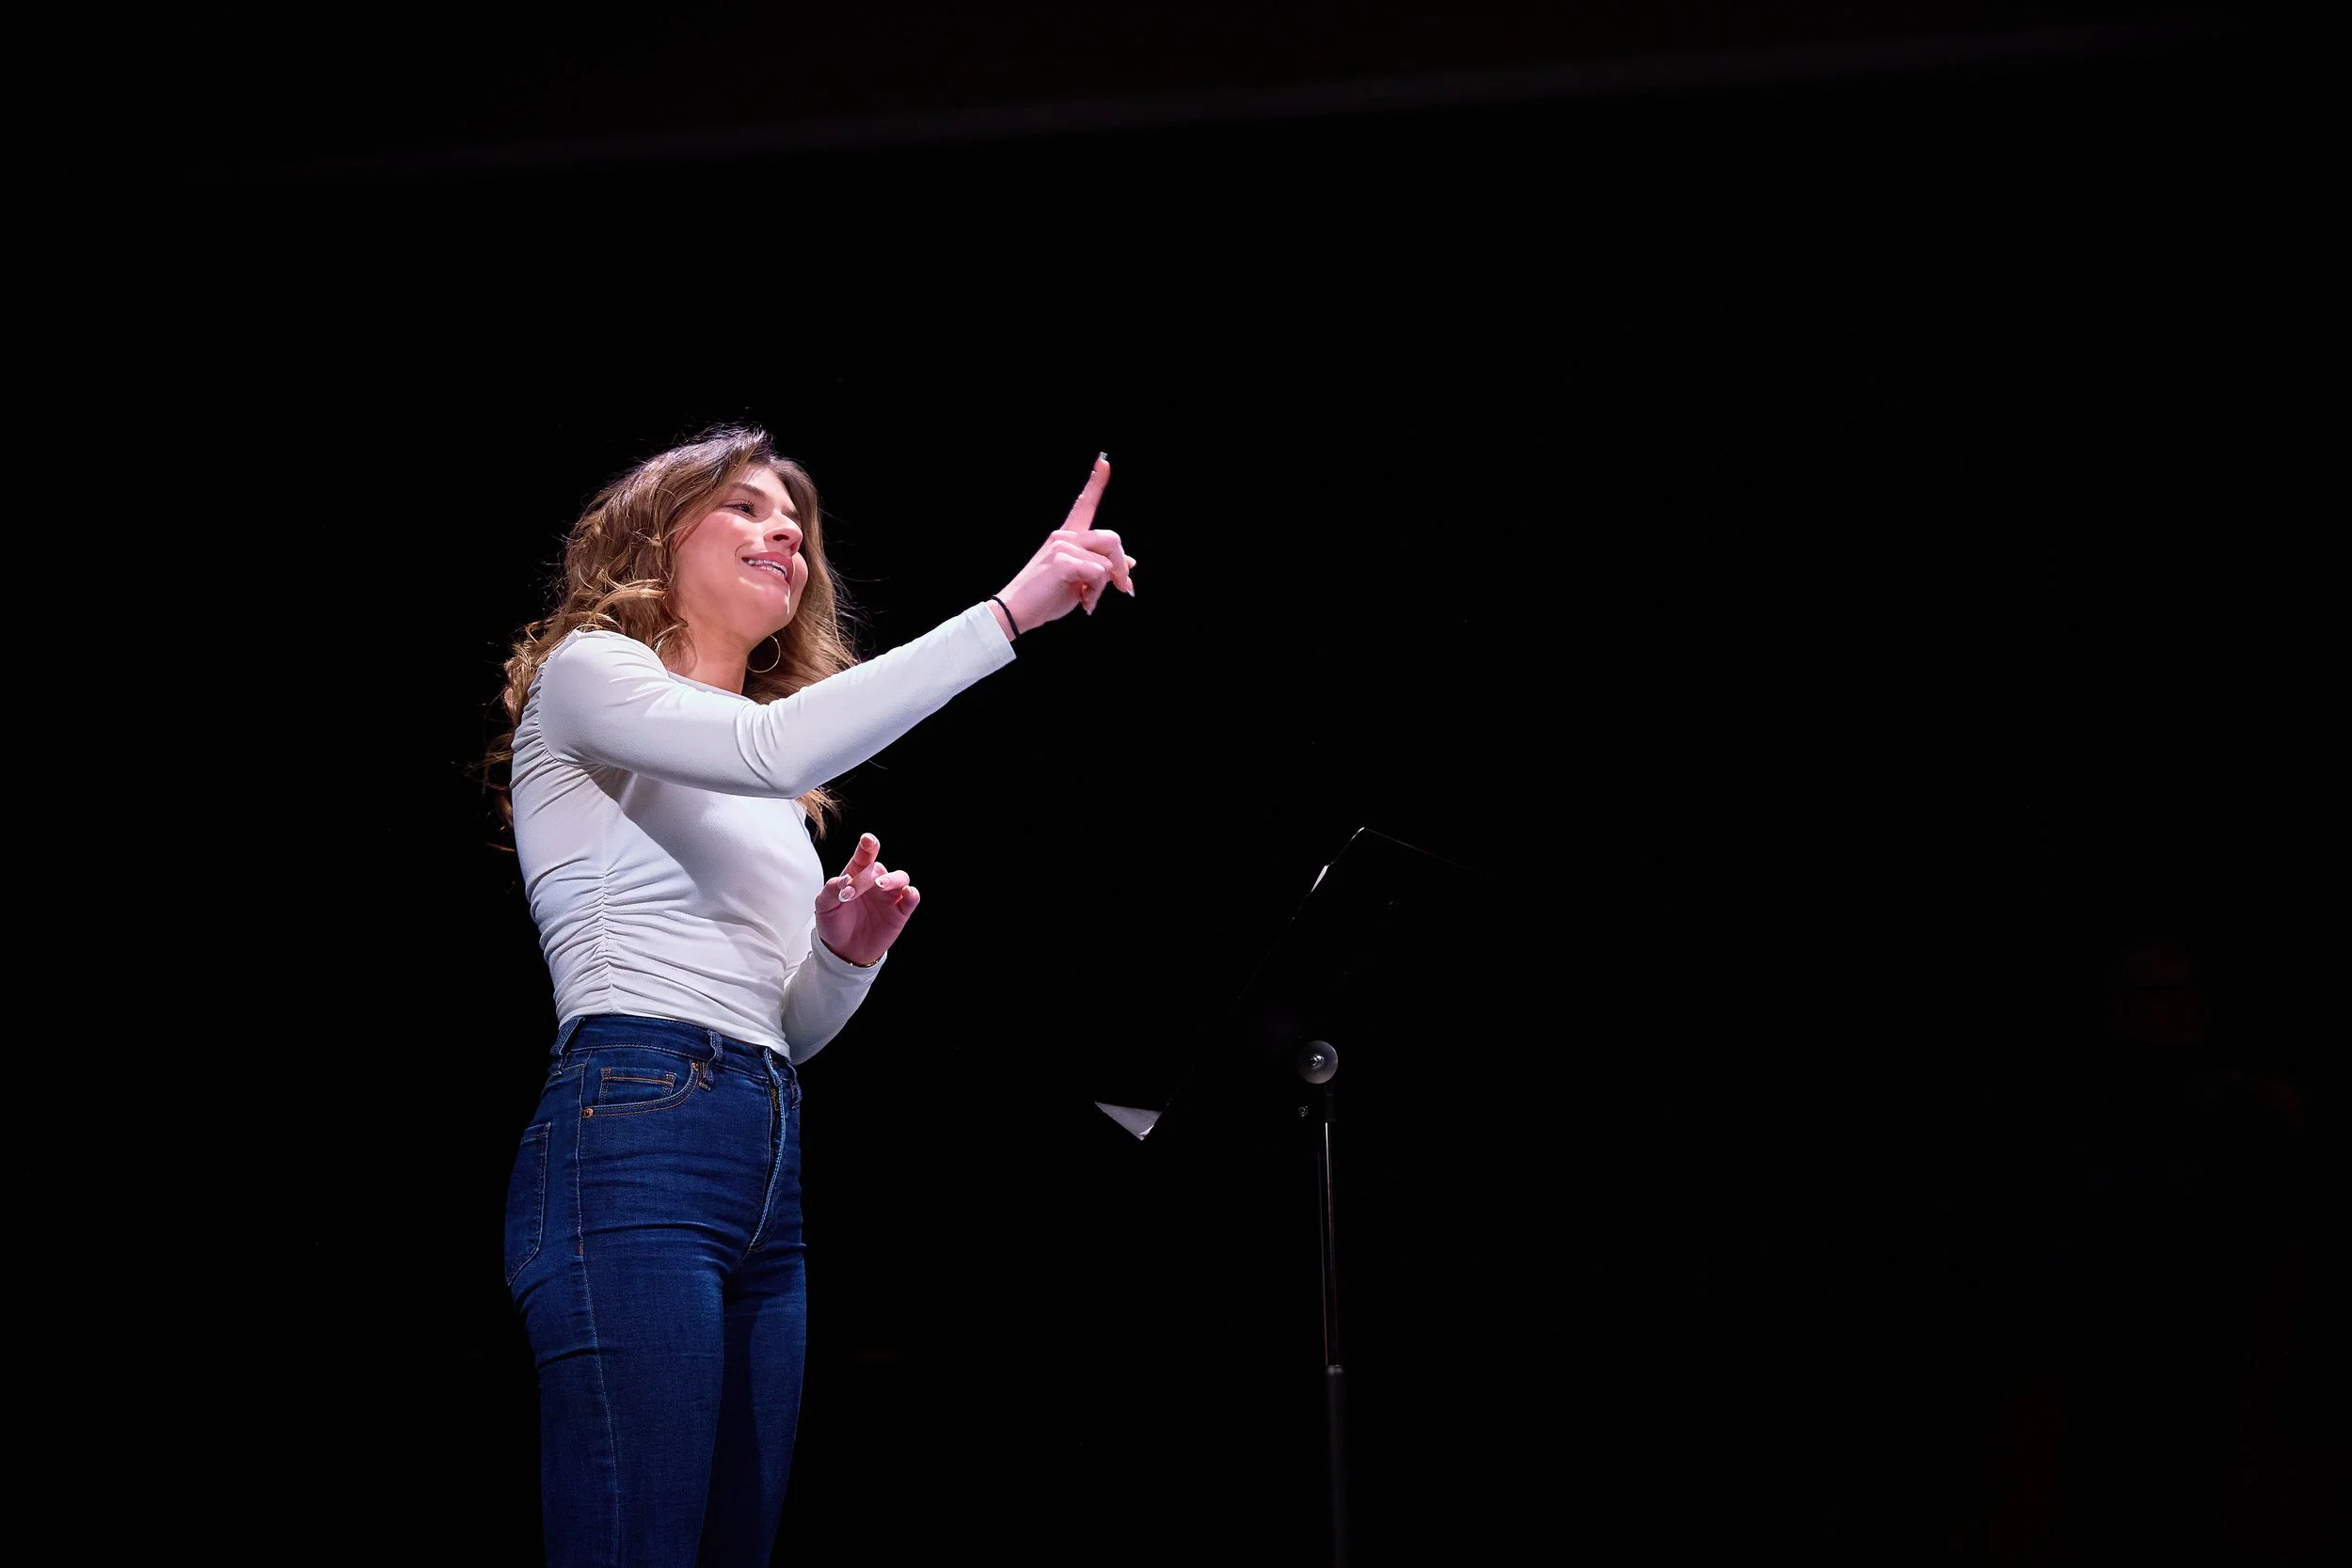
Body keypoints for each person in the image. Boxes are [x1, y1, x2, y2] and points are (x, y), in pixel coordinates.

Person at [480, 424, 1135, 1567]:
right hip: (629, 1129)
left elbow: (783, 1032)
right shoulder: (590, 674)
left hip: (762, 1151)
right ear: (655, 534)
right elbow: (772, 745)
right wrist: (1008, 613)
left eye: (793, 519)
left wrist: (842, 956)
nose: (783, 526)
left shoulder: (781, 806)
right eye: (742, 505)